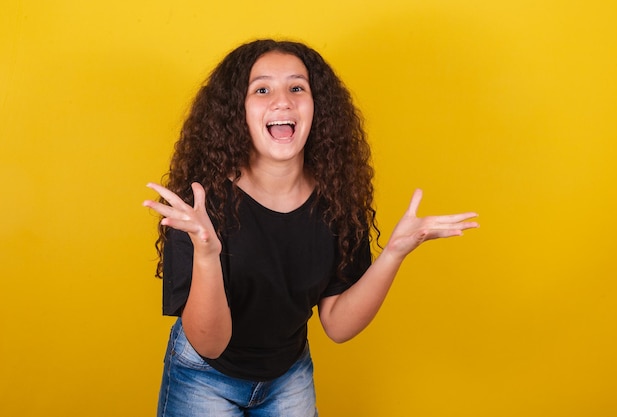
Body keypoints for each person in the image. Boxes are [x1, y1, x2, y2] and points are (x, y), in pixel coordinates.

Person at [143, 39, 478, 417]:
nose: (282, 101)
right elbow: (210, 344)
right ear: (237, 111)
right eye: (263, 89)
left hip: (289, 374)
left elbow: (337, 324)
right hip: (204, 377)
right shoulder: (200, 205)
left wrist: (395, 253)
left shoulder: (336, 198)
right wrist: (206, 253)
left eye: (297, 87)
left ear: (318, 107)